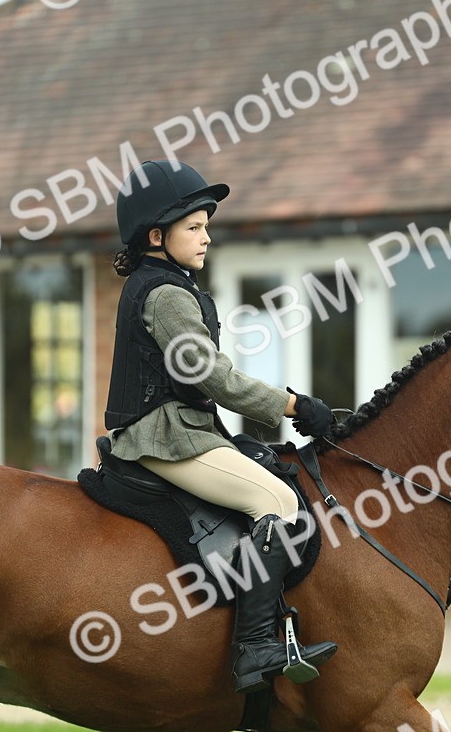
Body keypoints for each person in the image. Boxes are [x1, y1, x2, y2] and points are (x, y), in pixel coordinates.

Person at [104, 159, 338, 694]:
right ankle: (256, 647)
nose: (207, 236)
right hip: (165, 437)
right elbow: (216, 379)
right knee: (277, 503)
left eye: (207, 225)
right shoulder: (164, 295)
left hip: (183, 430)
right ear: (157, 236)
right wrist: (294, 406)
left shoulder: (168, 285)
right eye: (195, 227)